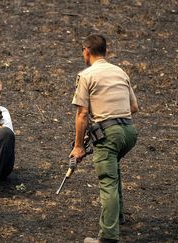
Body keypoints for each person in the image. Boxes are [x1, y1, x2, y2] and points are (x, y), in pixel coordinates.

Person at [69, 34, 139, 243]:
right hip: (129, 133)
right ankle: (117, 217)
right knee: (113, 168)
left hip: (109, 135)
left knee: (107, 181)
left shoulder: (86, 75)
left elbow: (82, 114)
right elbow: (134, 107)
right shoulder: (120, 71)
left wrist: (78, 146)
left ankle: (108, 237)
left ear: (86, 51)